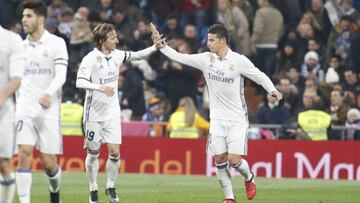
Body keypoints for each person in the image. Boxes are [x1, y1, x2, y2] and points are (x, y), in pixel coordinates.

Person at [150, 23, 283, 202]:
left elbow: (259, 75)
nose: (208, 43)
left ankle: (249, 177)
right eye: (208, 39)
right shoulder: (206, 59)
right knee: (219, 159)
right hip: (217, 119)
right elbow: (180, 57)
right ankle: (229, 198)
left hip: (237, 118)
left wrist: (272, 90)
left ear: (222, 41)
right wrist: (162, 46)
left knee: (234, 159)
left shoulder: (239, 61)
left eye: (212, 40)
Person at [76, 22, 159, 203]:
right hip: (93, 115)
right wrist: (99, 87)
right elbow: (80, 82)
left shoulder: (117, 55)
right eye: (113, 37)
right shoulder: (90, 58)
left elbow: (136, 55)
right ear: (102, 40)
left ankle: (111, 186)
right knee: (93, 154)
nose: (117, 40)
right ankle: (93, 188)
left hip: (112, 113)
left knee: (114, 152)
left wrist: (155, 46)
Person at [15, 2, 68, 203]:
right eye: (23, 16)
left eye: (28, 16)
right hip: (24, 108)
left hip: (48, 109)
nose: (23, 20)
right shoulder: (20, 48)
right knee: (24, 153)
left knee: (48, 164)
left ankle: (55, 192)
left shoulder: (57, 43)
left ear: (41, 19)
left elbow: (61, 75)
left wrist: (48, 93)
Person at [0, 26, 25, 203]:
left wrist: (2, 98)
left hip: (3, 111)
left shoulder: (11, 40)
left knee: (3, 163)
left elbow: (16, 78)